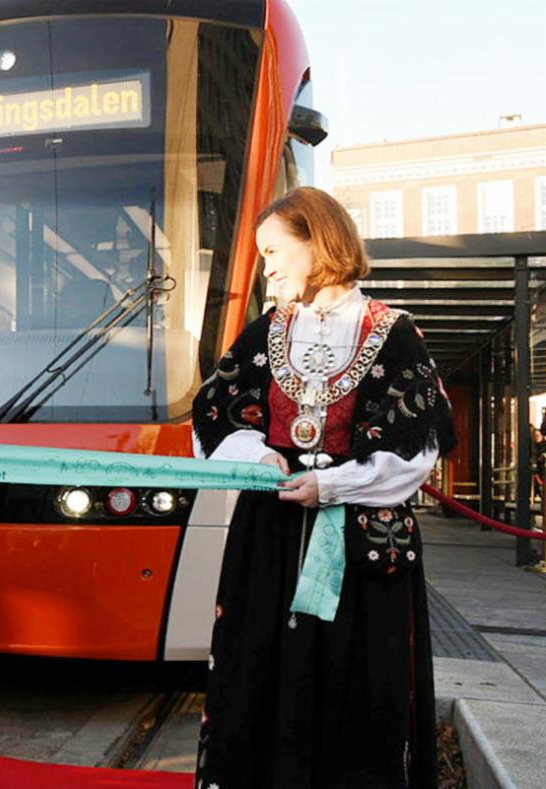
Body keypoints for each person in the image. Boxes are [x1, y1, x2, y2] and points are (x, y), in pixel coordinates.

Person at [192, 187, 456, 788]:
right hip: (271, 535)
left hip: (362, 539)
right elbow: (213, 414)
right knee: (260, 670)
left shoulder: (393, 332)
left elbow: (419, 446)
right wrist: (259, 455)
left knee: (360, 681)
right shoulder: (265, 332)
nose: (266, 267)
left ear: (318, 240)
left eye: (273, 251)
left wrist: (333, 483)